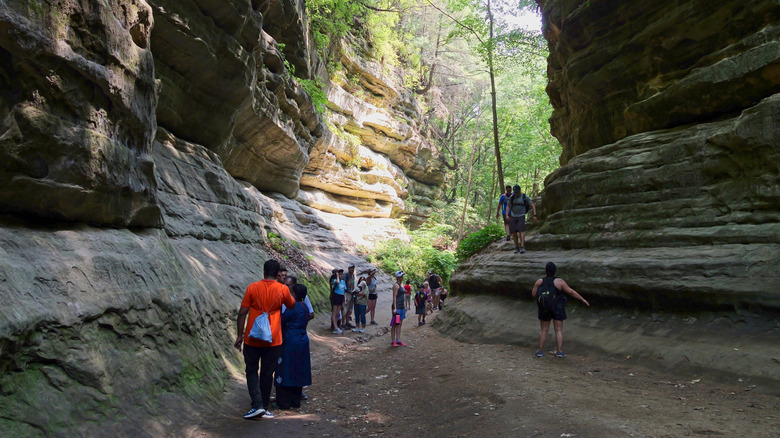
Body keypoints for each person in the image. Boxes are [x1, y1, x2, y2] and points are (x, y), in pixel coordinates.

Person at [234, 259, 296, 420]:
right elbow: (291, 306)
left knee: (251, 370)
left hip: (252, 338)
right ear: (277, 274)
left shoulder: (253, 288)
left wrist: (239, 335)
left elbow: (242, 313)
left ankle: (257, 404)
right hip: (273, 339)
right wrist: (282, 286)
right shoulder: (282, 289)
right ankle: (264, 406)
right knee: (268, 373)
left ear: (263, 272)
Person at [531, 262, 590, 358]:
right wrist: (582, 299)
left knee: (544, 330)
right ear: (555, 271)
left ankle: (540, 351)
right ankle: (559, 351)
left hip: (544, 308)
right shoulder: (559, 282)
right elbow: (570, 291)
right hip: (557, 308)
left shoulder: (539, 281)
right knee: (558, 329)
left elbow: (534, 294)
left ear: (546, 271)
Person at [274, 284, 312, 409]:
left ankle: (284, 402)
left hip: (290, 340)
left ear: (294, 294)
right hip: (302, 340)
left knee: (285, 368)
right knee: (299, 369)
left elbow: (282, 319)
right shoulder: (305, 306)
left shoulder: (293, 307)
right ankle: (295, 400)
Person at [505, 184, 537, 254]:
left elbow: (532, 205)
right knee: (514, 232)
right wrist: (507, 215)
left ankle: (522, 246)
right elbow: (508, 206)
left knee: (521, 230)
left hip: (521, 215)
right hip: (513, 216)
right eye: (515, 192)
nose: (516, 193)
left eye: (517, 192)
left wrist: (535, 215)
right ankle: (516, 247)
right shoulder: (512, 197)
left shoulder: (525, 197)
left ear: (520, 190)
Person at [391, 270, 407, 346]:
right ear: (398, 277)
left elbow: (402, 296)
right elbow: (394, 297)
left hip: (402, 306)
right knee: (395, 323)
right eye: (401, 276)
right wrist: (395, 308)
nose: (403, 277)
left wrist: (404, 305)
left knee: (400, 323)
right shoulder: (396, 285)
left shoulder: (401, 284)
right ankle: (393, 340)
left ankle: (398, 339)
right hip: (397, 306)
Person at [330, 268, 346, 334]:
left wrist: (345, 299)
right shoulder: (335, 281)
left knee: (337, 313)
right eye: (340, 274)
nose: (341, 275)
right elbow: (337, 282)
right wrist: (337, 276)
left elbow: (344, 290)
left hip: (341, 297)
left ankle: (336, 326)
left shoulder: (343, 282)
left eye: (342, 274)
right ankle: (335, 327)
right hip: (336, 296)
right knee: (335, 312)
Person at [342, 264, 356, 329]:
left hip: (352, 293)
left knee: (349, 309)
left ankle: (347, 322)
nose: (352, 269)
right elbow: (343, 285)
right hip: (347, 293)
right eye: (351, 268)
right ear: (348, 268)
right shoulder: (345, 276)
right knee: (345, 308)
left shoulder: (352, 276)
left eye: (353, 268)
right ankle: (343, 323)